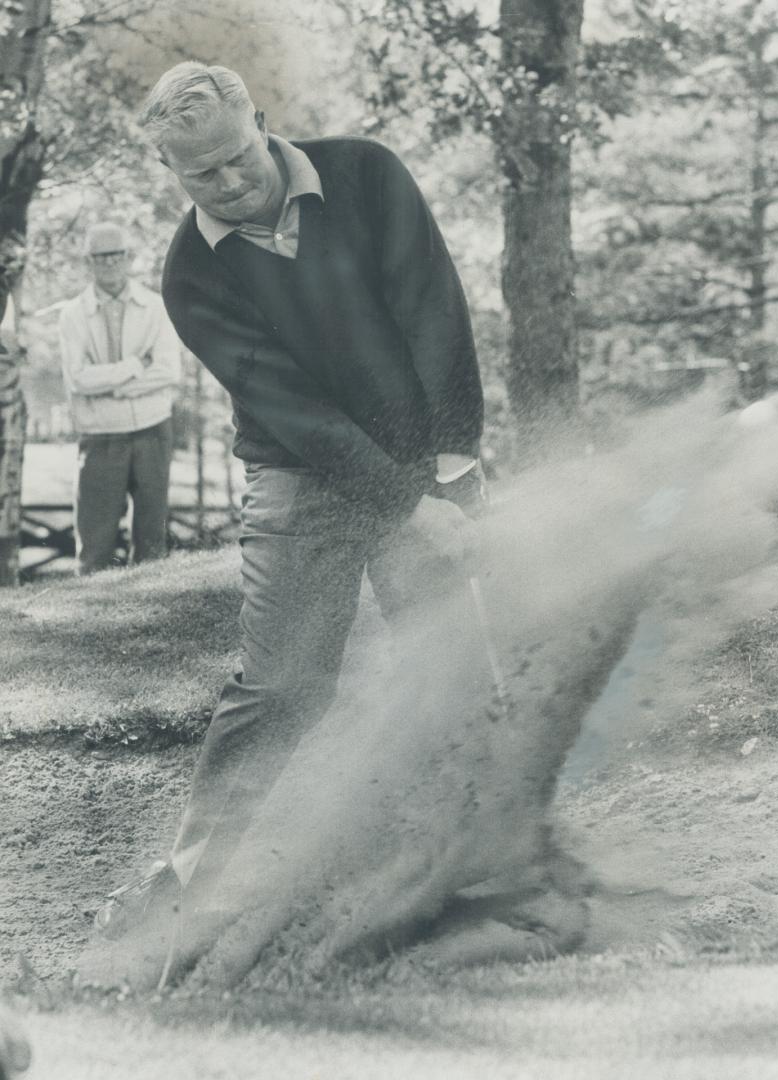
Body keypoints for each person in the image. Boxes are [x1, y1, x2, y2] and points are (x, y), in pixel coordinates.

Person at [94, 62, 491, 953]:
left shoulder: (363, 173)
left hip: (423, 451)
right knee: (282, 688)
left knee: (451, 658)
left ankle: (480, 867)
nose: (229, 183)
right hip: (298, 475)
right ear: (172, 172)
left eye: (238, 157)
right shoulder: (190, 274)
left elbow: (434, 314)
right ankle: (181, 904)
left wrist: (451, 471)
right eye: (202, 174)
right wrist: (409, 506)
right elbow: (293, 411)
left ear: (262, 121)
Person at [58, 222, 182, 575]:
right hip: (100, 436)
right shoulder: (72, 315)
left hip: (153, 429)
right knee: (95, 543)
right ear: (89, 262)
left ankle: (152, 619)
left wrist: (114, 386)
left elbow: (169, 371)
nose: (109, 263)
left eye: (116, 255)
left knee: (151, 539)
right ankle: (90, 624)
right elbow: (79, 379)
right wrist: (133, 367)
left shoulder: (156, 307)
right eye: (101, 257)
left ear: (129, 258)